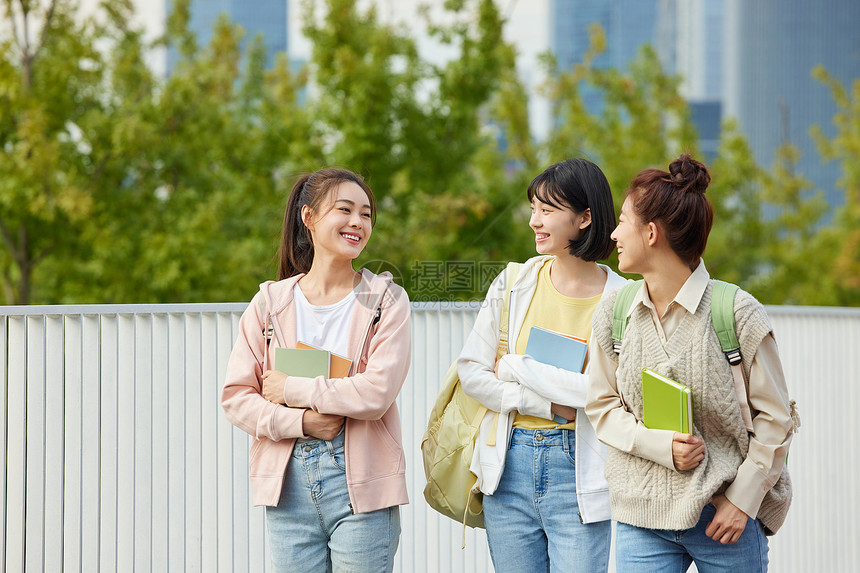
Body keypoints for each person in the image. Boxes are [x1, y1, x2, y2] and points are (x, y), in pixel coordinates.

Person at [586, 154, 794, 572]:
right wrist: (660, 447)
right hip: (640, 516)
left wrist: (743, 501)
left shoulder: (736, 313)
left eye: (622, 221)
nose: (613, 234)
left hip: (725, 520)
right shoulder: (615, 312)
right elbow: (602, 405)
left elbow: (776, 419)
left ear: (650, 233)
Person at [221, 168, 411, 573]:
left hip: (362, 485)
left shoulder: (386, 300)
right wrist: (304, 423)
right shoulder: (270, 302)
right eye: (345, 210)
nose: (358, 222)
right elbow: (236, 398)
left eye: (366, 214)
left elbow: (377, 392)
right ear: (308, 217)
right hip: (287, 488)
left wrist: (293, 388)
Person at [457, 158, 625, 573]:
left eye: (547, 210)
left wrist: (515, 365)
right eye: (533, 208)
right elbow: (472, 372)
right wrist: (546, 405)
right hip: (508, 466)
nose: (535, 220)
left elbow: (606, 394)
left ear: (585, 218)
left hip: (579, 471)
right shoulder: (514, 282)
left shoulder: (624, 299)